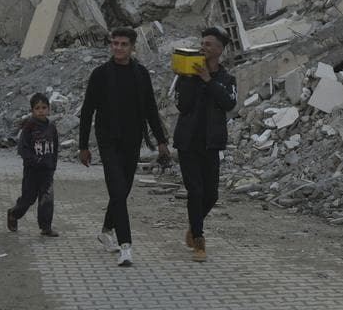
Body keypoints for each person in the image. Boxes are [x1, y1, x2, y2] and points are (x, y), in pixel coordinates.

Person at [78, 27, 170, 267]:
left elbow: (150, 109)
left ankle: (106, 230)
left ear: (132, 47)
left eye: (123, 44)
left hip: (132, 141)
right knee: (118, 191)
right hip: (108, 141)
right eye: (114, 43)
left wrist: (161, 142)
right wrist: (83, 146)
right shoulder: (100, 75)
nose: (118, 48)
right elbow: (87, 111)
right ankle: (126, 247)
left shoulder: (140, 74)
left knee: (122, 191)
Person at [172, 27, 237, 262]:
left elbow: (229, 103)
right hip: (187, 142)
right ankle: (199, 241)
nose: (203, 48)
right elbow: (182, 106)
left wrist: (209, 81)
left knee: (211, 195)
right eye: (202, 43)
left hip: (212, 144)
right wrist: (192, 79)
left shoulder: (226, 79)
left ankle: (193, 225)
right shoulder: (186, 74)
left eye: (209, 44)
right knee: (195, 191)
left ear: (219, 50)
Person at [7, 93, 60, 237]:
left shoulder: (51, 127)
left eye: (44, 107)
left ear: (49, 109)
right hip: (32, 171)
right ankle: (13, 214)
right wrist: (34, 160)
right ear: (32, 110)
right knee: (28, 199)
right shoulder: (29, 127)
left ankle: (46, 227)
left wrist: (52, 165)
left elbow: (55, 148)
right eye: (37, 108)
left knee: (47, 199)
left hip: (47, 171)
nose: (41, 111)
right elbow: (22, 149)